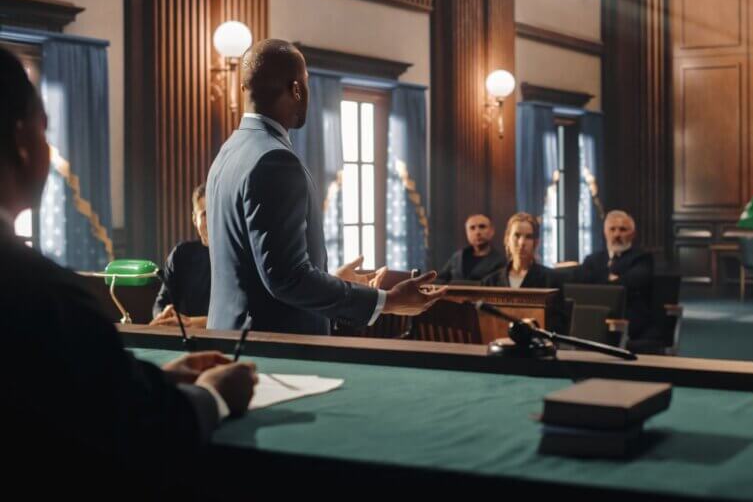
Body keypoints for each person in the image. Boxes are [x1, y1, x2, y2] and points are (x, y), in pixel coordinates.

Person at [0, 45, 257, 495]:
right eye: (46, 130)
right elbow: (141, 432)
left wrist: (154, 380)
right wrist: (214, 394)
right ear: (23, 142)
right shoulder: (41, 295)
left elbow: (76, 389)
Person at [206, 39, 444, 334]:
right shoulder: (275, 160)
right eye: (306, 84)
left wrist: (332, 280)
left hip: (231, 339)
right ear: (296, 89)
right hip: (275, 353)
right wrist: (387, 300)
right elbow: (287, 279)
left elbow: (260, 268)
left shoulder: (228, 152)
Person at [574, 210, 655, 339]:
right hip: (595, 314)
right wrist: (613, 279)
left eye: (623, 230)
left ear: (632, 234)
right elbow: (582, 283)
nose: (617, 234)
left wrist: (601, 280)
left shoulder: (642, 258)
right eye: (612, 229)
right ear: (605, 233)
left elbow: (633, 282)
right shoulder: (592, 259)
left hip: (629, 318)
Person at [151, 182, 211, 327]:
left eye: (216, 213)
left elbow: (240, 318)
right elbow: (161, 303)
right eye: (205, 215)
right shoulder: (181, 254)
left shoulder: (237, 255)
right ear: (194, 219)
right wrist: (164, 315)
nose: (212, 221)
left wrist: (192, 323)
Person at [436, 214, 506, 283]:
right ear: (467, 232)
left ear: (492, 231)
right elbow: (440, 280)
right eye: (472, 228)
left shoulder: (500, 261)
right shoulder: (458, 257)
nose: (477, 232)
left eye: (482, 227)